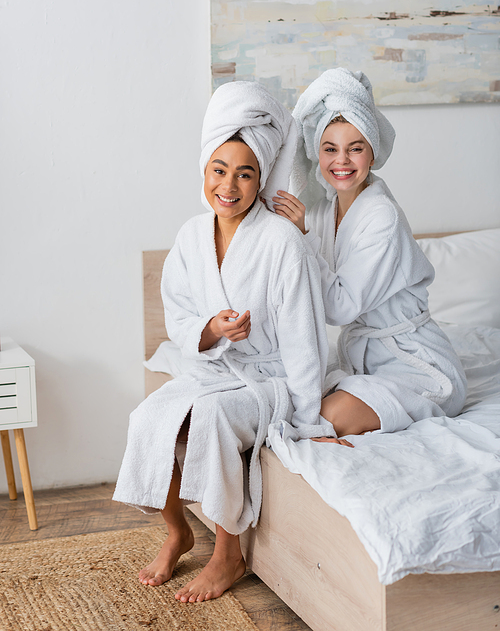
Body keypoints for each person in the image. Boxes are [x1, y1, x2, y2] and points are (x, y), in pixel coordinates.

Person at [113, 81, 335, 602]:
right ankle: (178, 531)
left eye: (245, 173)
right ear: (204, 171)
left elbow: (306, 338)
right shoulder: (191, 237)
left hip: (270, 379)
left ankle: (228, 554)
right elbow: (179, 314)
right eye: (219, 170)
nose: (229, 186)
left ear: (260, 179)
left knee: (210, 420)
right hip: (215, 369)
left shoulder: (282, 241)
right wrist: (212, 330)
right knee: (148, 418)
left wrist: (307, 421)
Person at [273, 68, 467, 443]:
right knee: (288, 399)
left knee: (327, 413)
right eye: (330, 148)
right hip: (364, 359)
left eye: (355, 147)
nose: (341, 161)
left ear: (372, 152)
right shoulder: (324, 210)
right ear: (317, 152)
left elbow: (340, 308)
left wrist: (303, 237)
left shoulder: (382, 217)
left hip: (415, 362)